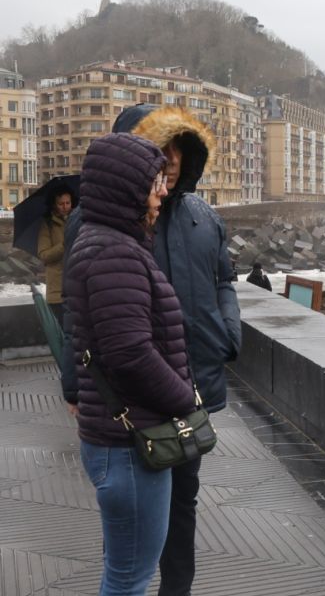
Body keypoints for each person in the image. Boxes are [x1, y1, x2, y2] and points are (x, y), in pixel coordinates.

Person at [112, 103, 242, 596]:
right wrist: (73, 385)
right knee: (133, 507)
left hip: (194, 387)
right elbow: (82, 311)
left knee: (184, 499)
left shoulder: (203, 216)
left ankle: (177, 590)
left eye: (177, 147)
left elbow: (225, 279)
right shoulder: (103, 220)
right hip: (132, 396)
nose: (169, 157)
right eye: (158, 146)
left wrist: (229, 332)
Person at [66, 133, 198, 595]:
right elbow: (130, 355)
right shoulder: (114, 253)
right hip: (129, 446)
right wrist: (186, 400)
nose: (162, 193)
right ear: (127, 189)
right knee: (129, 580)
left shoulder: (107, 243)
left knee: (125, 573)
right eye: (154, 184)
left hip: (119, 440)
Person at [37, 190, 72, 327]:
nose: (65, 207)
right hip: (58, 291)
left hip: (77, 289)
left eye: (68, 203)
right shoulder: (48, 225)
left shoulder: (78, 221)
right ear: (54, 205)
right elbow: (44, 255)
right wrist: (64, 245)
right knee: (65, 331)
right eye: (61, 204)